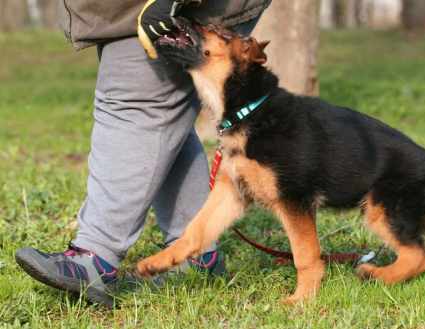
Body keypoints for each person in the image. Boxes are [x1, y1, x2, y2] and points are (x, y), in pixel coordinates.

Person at [15, 0, 271, 307]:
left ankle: (94, 258)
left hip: (169, 6)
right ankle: (195, 254)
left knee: (137, 105)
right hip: (130, 10)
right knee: (161, 114)